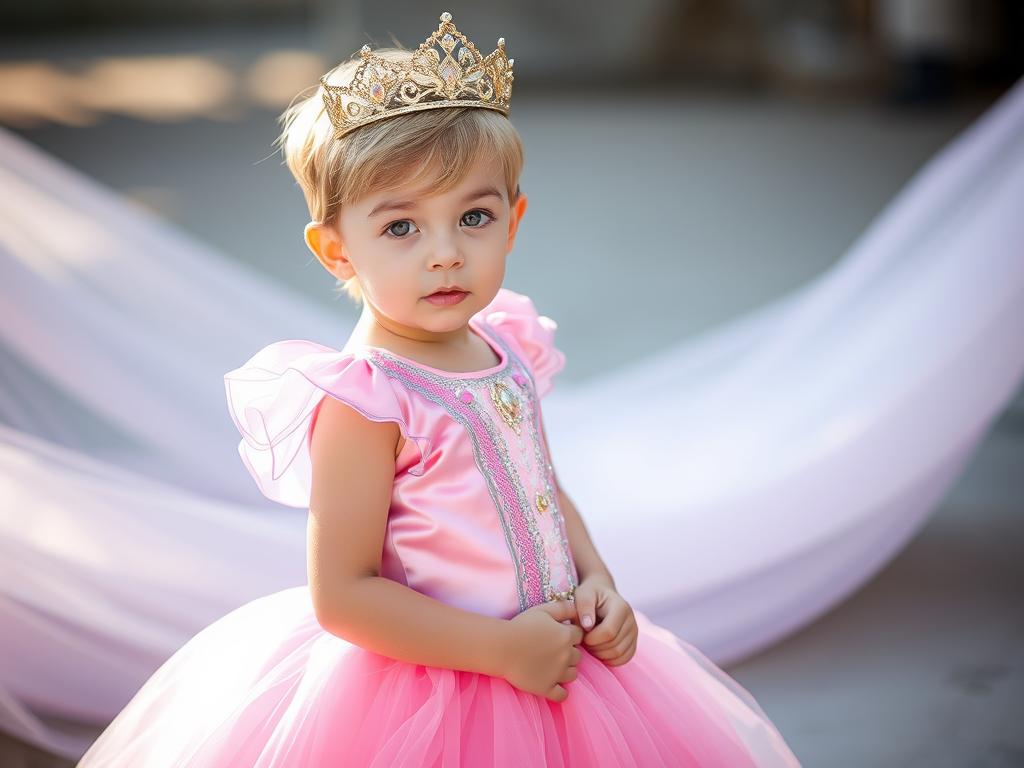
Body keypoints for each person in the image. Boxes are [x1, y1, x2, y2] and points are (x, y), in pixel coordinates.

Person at [78, 12, 802, 766]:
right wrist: (499, 651)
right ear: (335, 249)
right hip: (437, 680)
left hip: (548, 656)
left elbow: (541, 487)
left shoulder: (506, 346)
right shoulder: (366, 400)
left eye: (474, 217)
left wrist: (598, 582)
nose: (447, 255)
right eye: (401, 228)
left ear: (513, 222)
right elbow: (344, 593)